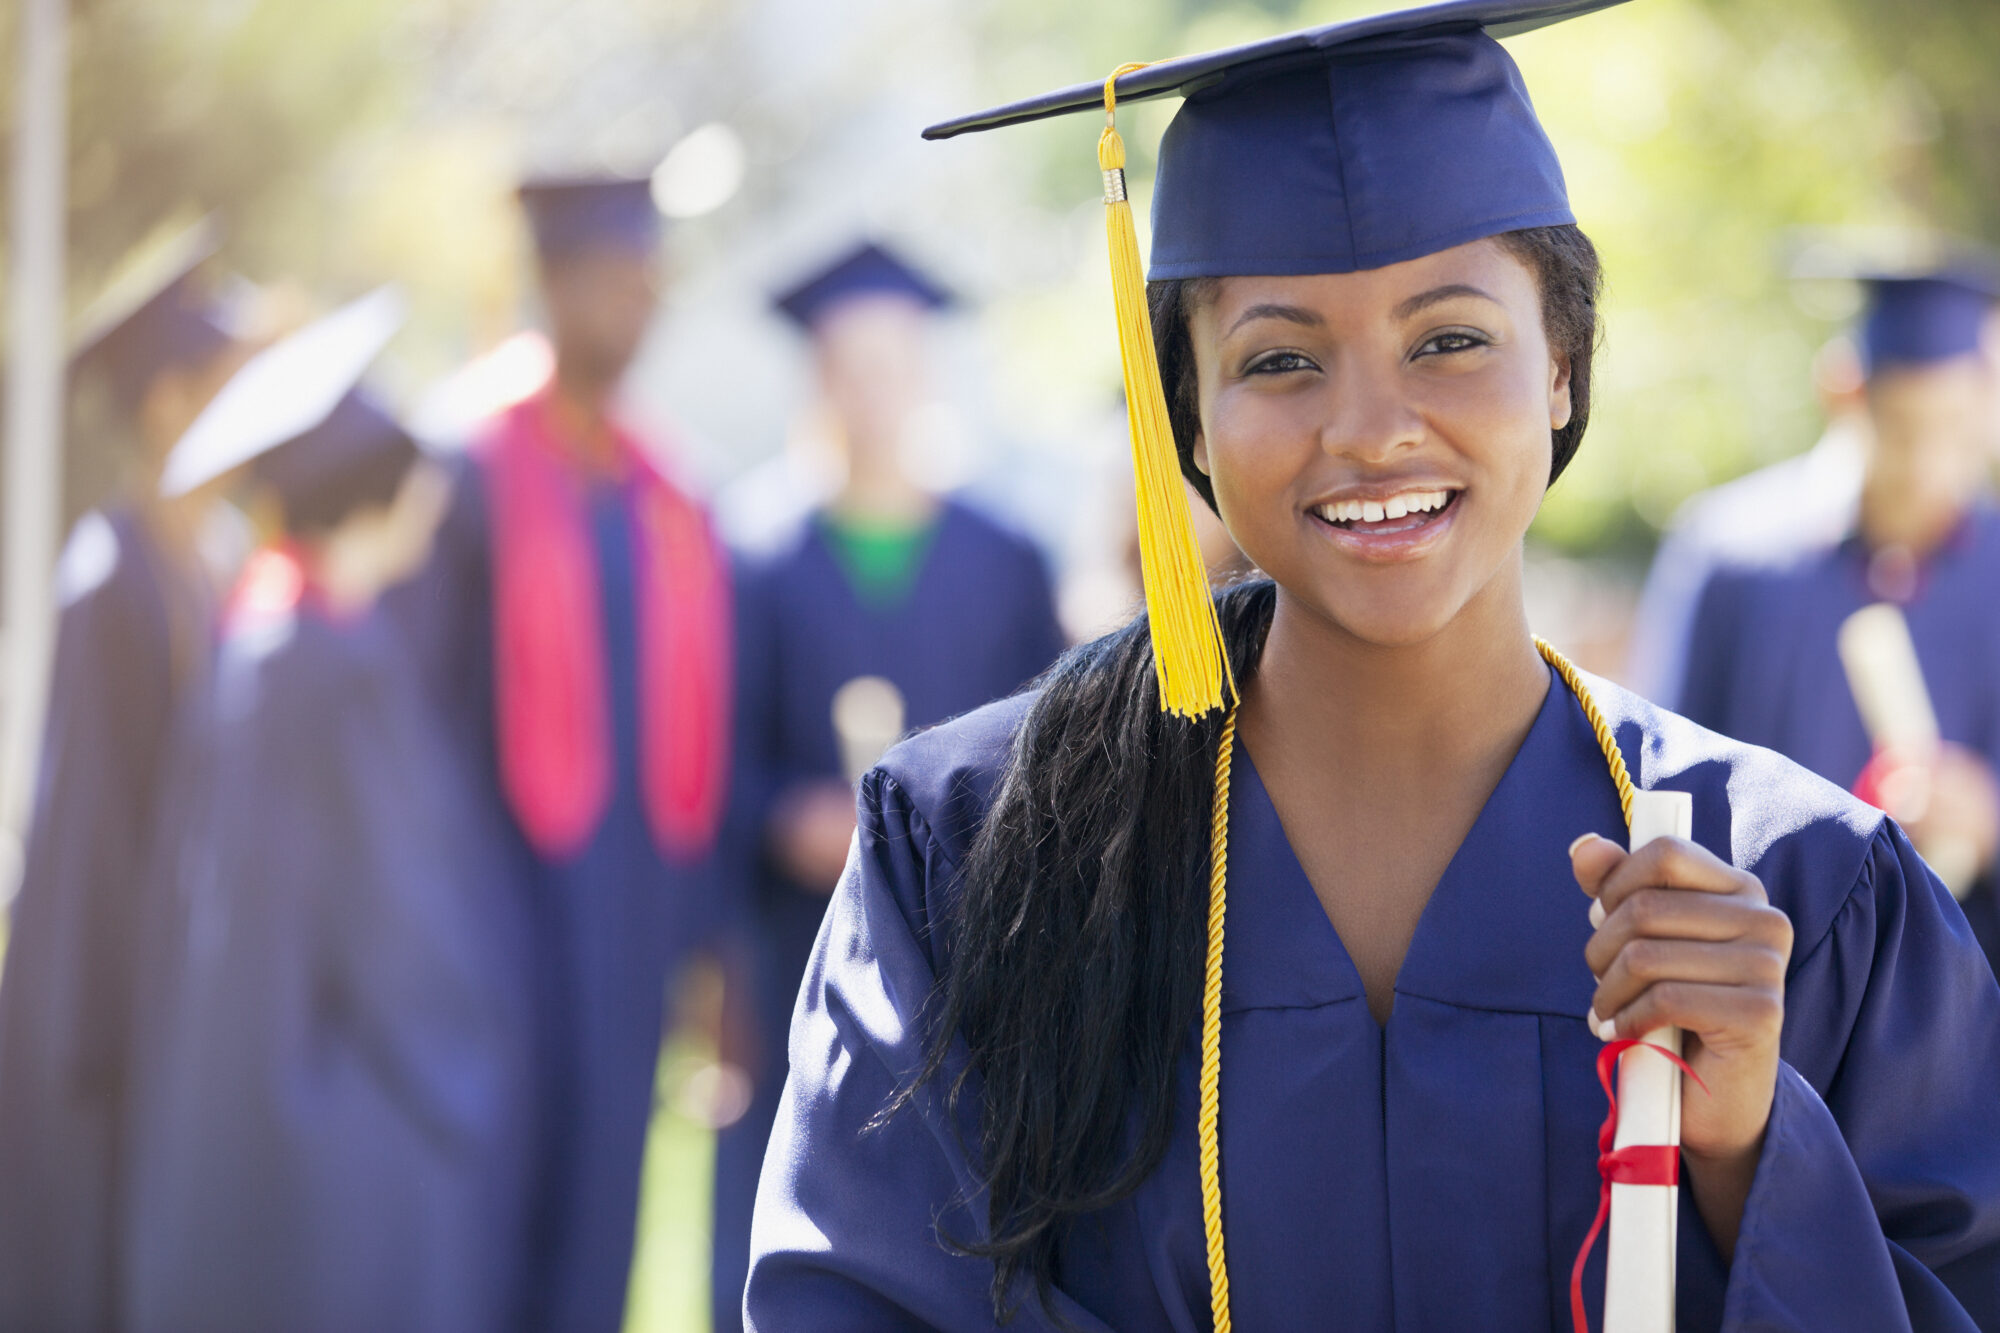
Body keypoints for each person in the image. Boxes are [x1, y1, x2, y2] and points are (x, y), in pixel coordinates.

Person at [744, 3, 2000, 1328]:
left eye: (1450, 339)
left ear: (1562, 365)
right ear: (1190, 415)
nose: (1371, 428)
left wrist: (1752, 1155)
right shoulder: (972, 857)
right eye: (1279, 359)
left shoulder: (1807, 891)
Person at [119, 288, 536, 1333]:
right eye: (417, 474)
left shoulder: (265, 632)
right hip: (346, 1115)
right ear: (373, 493)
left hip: (247, 1085)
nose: (438, 497)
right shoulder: (331, 664)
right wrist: (474, 1057)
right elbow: (396, 921)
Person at [385, 173, 733, 1333]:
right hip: (495, 917)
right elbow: (410, 722)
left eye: (647, 282)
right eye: (608, 281)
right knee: (483, 1222)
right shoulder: (463, 467)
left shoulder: (666, 487)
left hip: (627, 922)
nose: (635, 304)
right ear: (546, 288)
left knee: (604, 1222)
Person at [711, 240, 1067, 1328]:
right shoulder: (753, 554)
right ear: (815, 379)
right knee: (786, 1201)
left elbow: (1047, 754)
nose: (869, 391)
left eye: (890, 364)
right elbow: (710, 761)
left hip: (966, 950)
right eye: (846, 367)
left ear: (925, 375)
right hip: (792, 949)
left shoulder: (1004, 555)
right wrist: (783, 813)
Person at [0, 222, 244, 1332]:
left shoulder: (204, 557)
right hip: (99, 1038)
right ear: (165, 404)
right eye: (229, 382)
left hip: (173, 1016)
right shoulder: (110, 582)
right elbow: (89, 857)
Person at [1679, 264, 2000, 965]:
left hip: (1959, 991)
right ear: (1847, 392)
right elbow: (1659, 777)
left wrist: (1987, 816)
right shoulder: (1735, 554)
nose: (1928, 467)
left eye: (1954, 429)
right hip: (1764, 979)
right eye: (1903, 428)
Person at [1624, 336, 1868, 708]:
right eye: (1904, 419)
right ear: (1843, 392)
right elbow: (1664, 729)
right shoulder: (1726, 547)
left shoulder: (1986, 565)